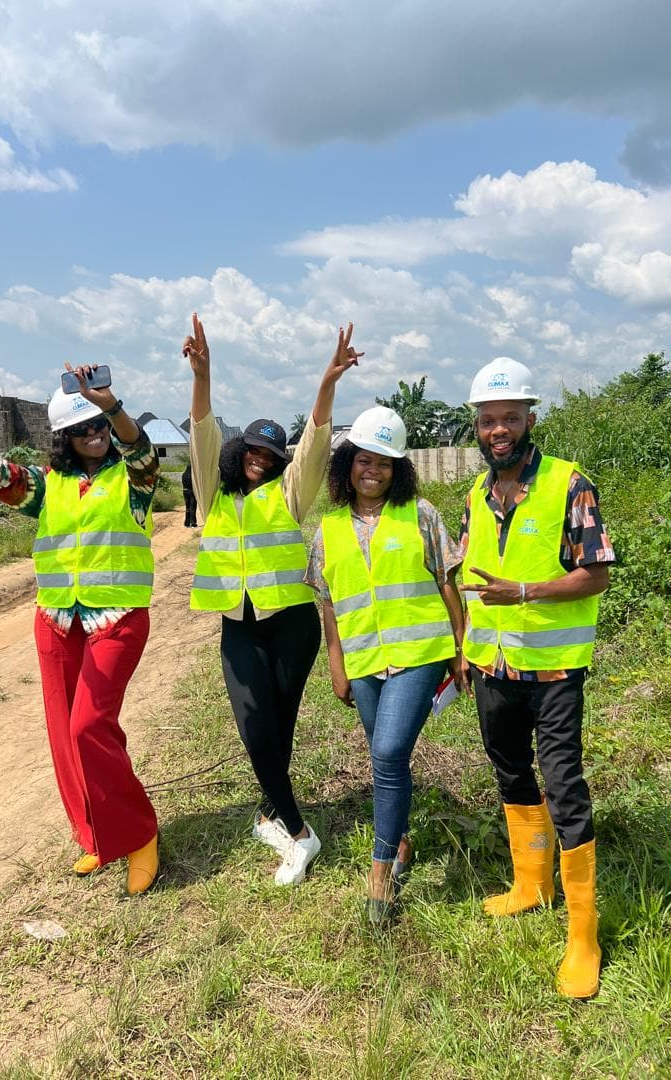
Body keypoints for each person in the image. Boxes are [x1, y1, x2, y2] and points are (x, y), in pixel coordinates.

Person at [0, 363, 160, 896]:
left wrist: (110, 405)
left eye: (97, 426)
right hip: (56, 621)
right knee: (63, 734)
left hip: (116, 619)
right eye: (82, 430)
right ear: (65, 439)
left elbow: (140, 450)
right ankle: (96, 835)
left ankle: (139, 834)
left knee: (89, 726)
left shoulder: (134, 481)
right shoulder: (48, 487)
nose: (94, 435)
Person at [459, 357, 614, 998]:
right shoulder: (474, 494)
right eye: (489, 420)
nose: (500, 429)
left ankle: (584, 935)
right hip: (493, 666)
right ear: (478, 425)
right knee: (510, 771)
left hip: (552, 669)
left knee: (563, 781)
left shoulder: (569, 484)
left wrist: (526, 591)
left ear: (529, 419)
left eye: (510, 418)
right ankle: (531, 884)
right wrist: (468, 649)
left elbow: (596, 572)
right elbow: (470, 581)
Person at [186, 314, 359, 886]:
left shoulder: (289, 493)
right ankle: (299, 832)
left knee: (280, 724)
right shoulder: (213, 494)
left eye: (270, 453)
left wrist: (326, 385)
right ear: (238, 453)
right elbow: (202, 429)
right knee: (255, 724)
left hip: (292, 624)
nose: (260, 458)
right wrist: (202, 374)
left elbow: (314, 442)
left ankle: (267, 811)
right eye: (252, 451)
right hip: (239, 625)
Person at [305, 406, 466, 924]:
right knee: (386, 760)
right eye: (364, 461)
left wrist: (462, 649)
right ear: (347, 464)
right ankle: (399, 843)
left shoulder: (420, 514)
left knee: (389, 752)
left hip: (419, 653)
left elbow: (447, 582)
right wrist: (336, 663)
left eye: (385, 463)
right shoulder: (327, 529)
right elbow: (328, 605)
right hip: (363, 659)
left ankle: (379, 875)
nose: (373, 471)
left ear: (400, 470)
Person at [181, 462, 198, 527]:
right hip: (192, 491)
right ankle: (193, 523)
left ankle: (186, 523)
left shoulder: (183, 475)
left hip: (185, 491)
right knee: (193, 507)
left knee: (187, 507)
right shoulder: (193, 475)